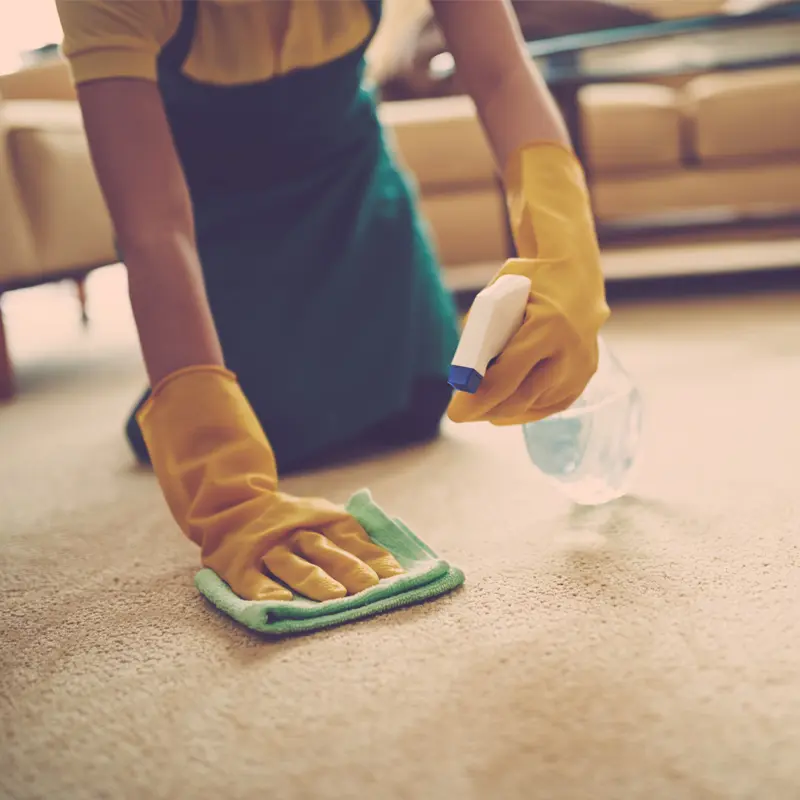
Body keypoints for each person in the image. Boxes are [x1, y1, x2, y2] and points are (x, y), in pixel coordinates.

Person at [54, 0, 610, 604]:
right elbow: (154, 232)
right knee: (274, 424)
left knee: (419, 402)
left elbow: (501, 72)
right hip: (214, 217)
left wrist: (563, 247)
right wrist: (228, 493)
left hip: (351, 190)